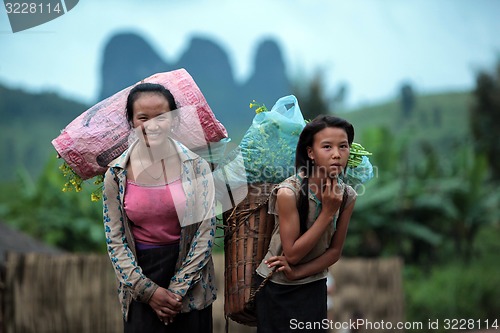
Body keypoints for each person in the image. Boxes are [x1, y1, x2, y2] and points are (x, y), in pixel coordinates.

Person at [102, 82, 217, 333]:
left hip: (191, 278)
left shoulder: (197, 167)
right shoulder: (116, 174)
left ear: (174, 121)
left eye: (161, 117)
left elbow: (205, 232)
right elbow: (115, 240)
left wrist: (176, 291)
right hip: (140, 278)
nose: (152, 125)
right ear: (131, 121)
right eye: (143, 117)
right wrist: (148, 291)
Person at [255, 115, 357, 332]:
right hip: (278, 288)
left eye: (343, 146)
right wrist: (328, 212)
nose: (337, 154)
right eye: (327, 147)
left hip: (314, 286)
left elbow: (335, 251)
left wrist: (299, 274)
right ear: (311, 152)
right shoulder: (289, 192)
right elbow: (291, 255)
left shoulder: (347, 196)